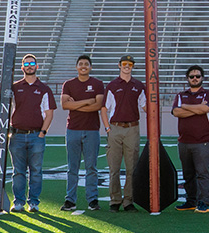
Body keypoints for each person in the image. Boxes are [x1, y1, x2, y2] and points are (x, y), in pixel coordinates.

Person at [0, 54, 55, 212]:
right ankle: (18, 202)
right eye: (26, 64)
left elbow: (49, 113)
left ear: (37, 66)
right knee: (18, 171)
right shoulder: (14, 87)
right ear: (22, 67)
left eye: (32, 63)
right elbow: (4, 106)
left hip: (36, 136)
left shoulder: (44, 89)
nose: (29, 66)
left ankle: (33, 202)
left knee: (36, 171)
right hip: (17, 135)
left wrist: (42, 133)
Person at [61, 54, 105, 211]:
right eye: (80, 64)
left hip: (91, 130)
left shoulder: (98, 84)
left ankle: (92, 199)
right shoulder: (69, 84)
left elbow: (98, 105)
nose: (83, 66)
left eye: (86, 64)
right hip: (73, 129)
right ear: (76, 67)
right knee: (72, 167)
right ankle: (70, 200)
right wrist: (87, 101)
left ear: (90, 67)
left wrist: (76, 105)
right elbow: (65, 105)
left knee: (91, 167)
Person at [103, 54, 146, 212]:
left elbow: (145, 106)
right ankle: (114, 200)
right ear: (119, 65)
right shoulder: (112, 85)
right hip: (115, 128)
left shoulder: (139, 85)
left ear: (133, 66)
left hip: (132, 128)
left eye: (130, 64)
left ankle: (128, 201)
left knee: (131, 168)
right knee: (114, 168)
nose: (127, 66)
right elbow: (104, 109)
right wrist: (108, 128)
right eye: (124, 64)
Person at [172, 65, 209, 214]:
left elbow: (205, 109)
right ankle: (191, 201)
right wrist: (195, 108)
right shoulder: (180, 95)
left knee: (202, 173)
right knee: (188, 174)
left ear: (202, 78)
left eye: (197, 76)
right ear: (187, 78)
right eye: (192, 76)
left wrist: (185, 107)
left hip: (202, 141)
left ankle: (204, 202)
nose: (195, 78)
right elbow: (177, 112)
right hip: (184, 141)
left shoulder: (207, 94)